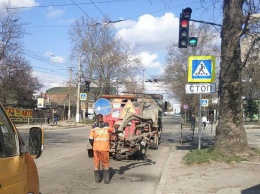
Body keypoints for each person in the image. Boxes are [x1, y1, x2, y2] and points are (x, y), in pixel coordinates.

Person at [89, 114, 119, 184]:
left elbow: (90, 139)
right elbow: (114, 131)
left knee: (96, 164)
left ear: (96, 119)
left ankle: (97, 179)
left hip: (96, 149)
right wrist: (117, 126)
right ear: (102, 118)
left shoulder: (93, 127)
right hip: (104, 148)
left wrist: (94, 145)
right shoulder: (107, 126)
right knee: (105, 163)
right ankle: (106, 180)